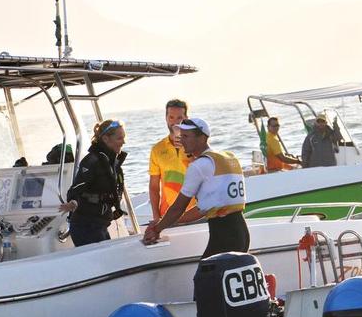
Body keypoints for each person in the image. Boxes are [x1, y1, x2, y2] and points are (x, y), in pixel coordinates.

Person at [143, 117, 248, 258]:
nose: (182, 140)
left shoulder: (199, 166)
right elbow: (202, 209)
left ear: (202, 138)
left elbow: (178, 208)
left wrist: (157, 229)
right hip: (241, 233)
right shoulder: (227, 157)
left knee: (204, 278)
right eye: (181, 136)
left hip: (224, 235)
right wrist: (164, 221)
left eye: (186, 136)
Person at [59, 119, 128, 246]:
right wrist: (73, 202)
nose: (123, 142)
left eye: (124, 138)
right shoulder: (92, 161)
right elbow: (76, 188)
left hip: (99, 224)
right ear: (106, 139)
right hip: (86, 227)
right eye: (119, 138)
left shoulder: (110, 161)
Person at [148, 99, 197, 223]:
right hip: (168, 215)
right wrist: (156, 217)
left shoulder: (197, 143)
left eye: (179, 118)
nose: (175, 122)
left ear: (186, 118)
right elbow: (154, 187)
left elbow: (206, 172)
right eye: (171, 117)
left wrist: (188, 149)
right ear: (166, 118)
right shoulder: (157, 149)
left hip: (195, 213)